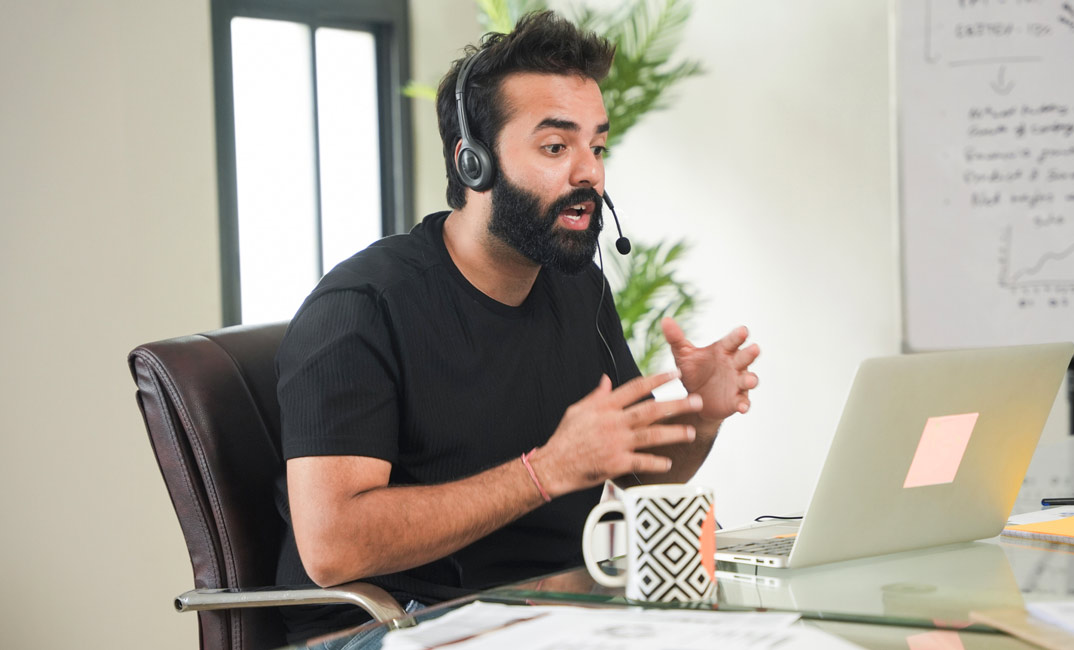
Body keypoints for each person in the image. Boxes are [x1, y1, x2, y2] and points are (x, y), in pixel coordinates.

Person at [273, 11, 760, 644]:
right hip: (388, 625)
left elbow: (641, 472)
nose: (590, 172)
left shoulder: (577, 285)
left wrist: (702, 419)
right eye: (557, 147)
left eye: (597, 146)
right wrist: (547, 471)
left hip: (548, 614)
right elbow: (332, 548)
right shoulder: (360, 307)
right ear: (473, 163)